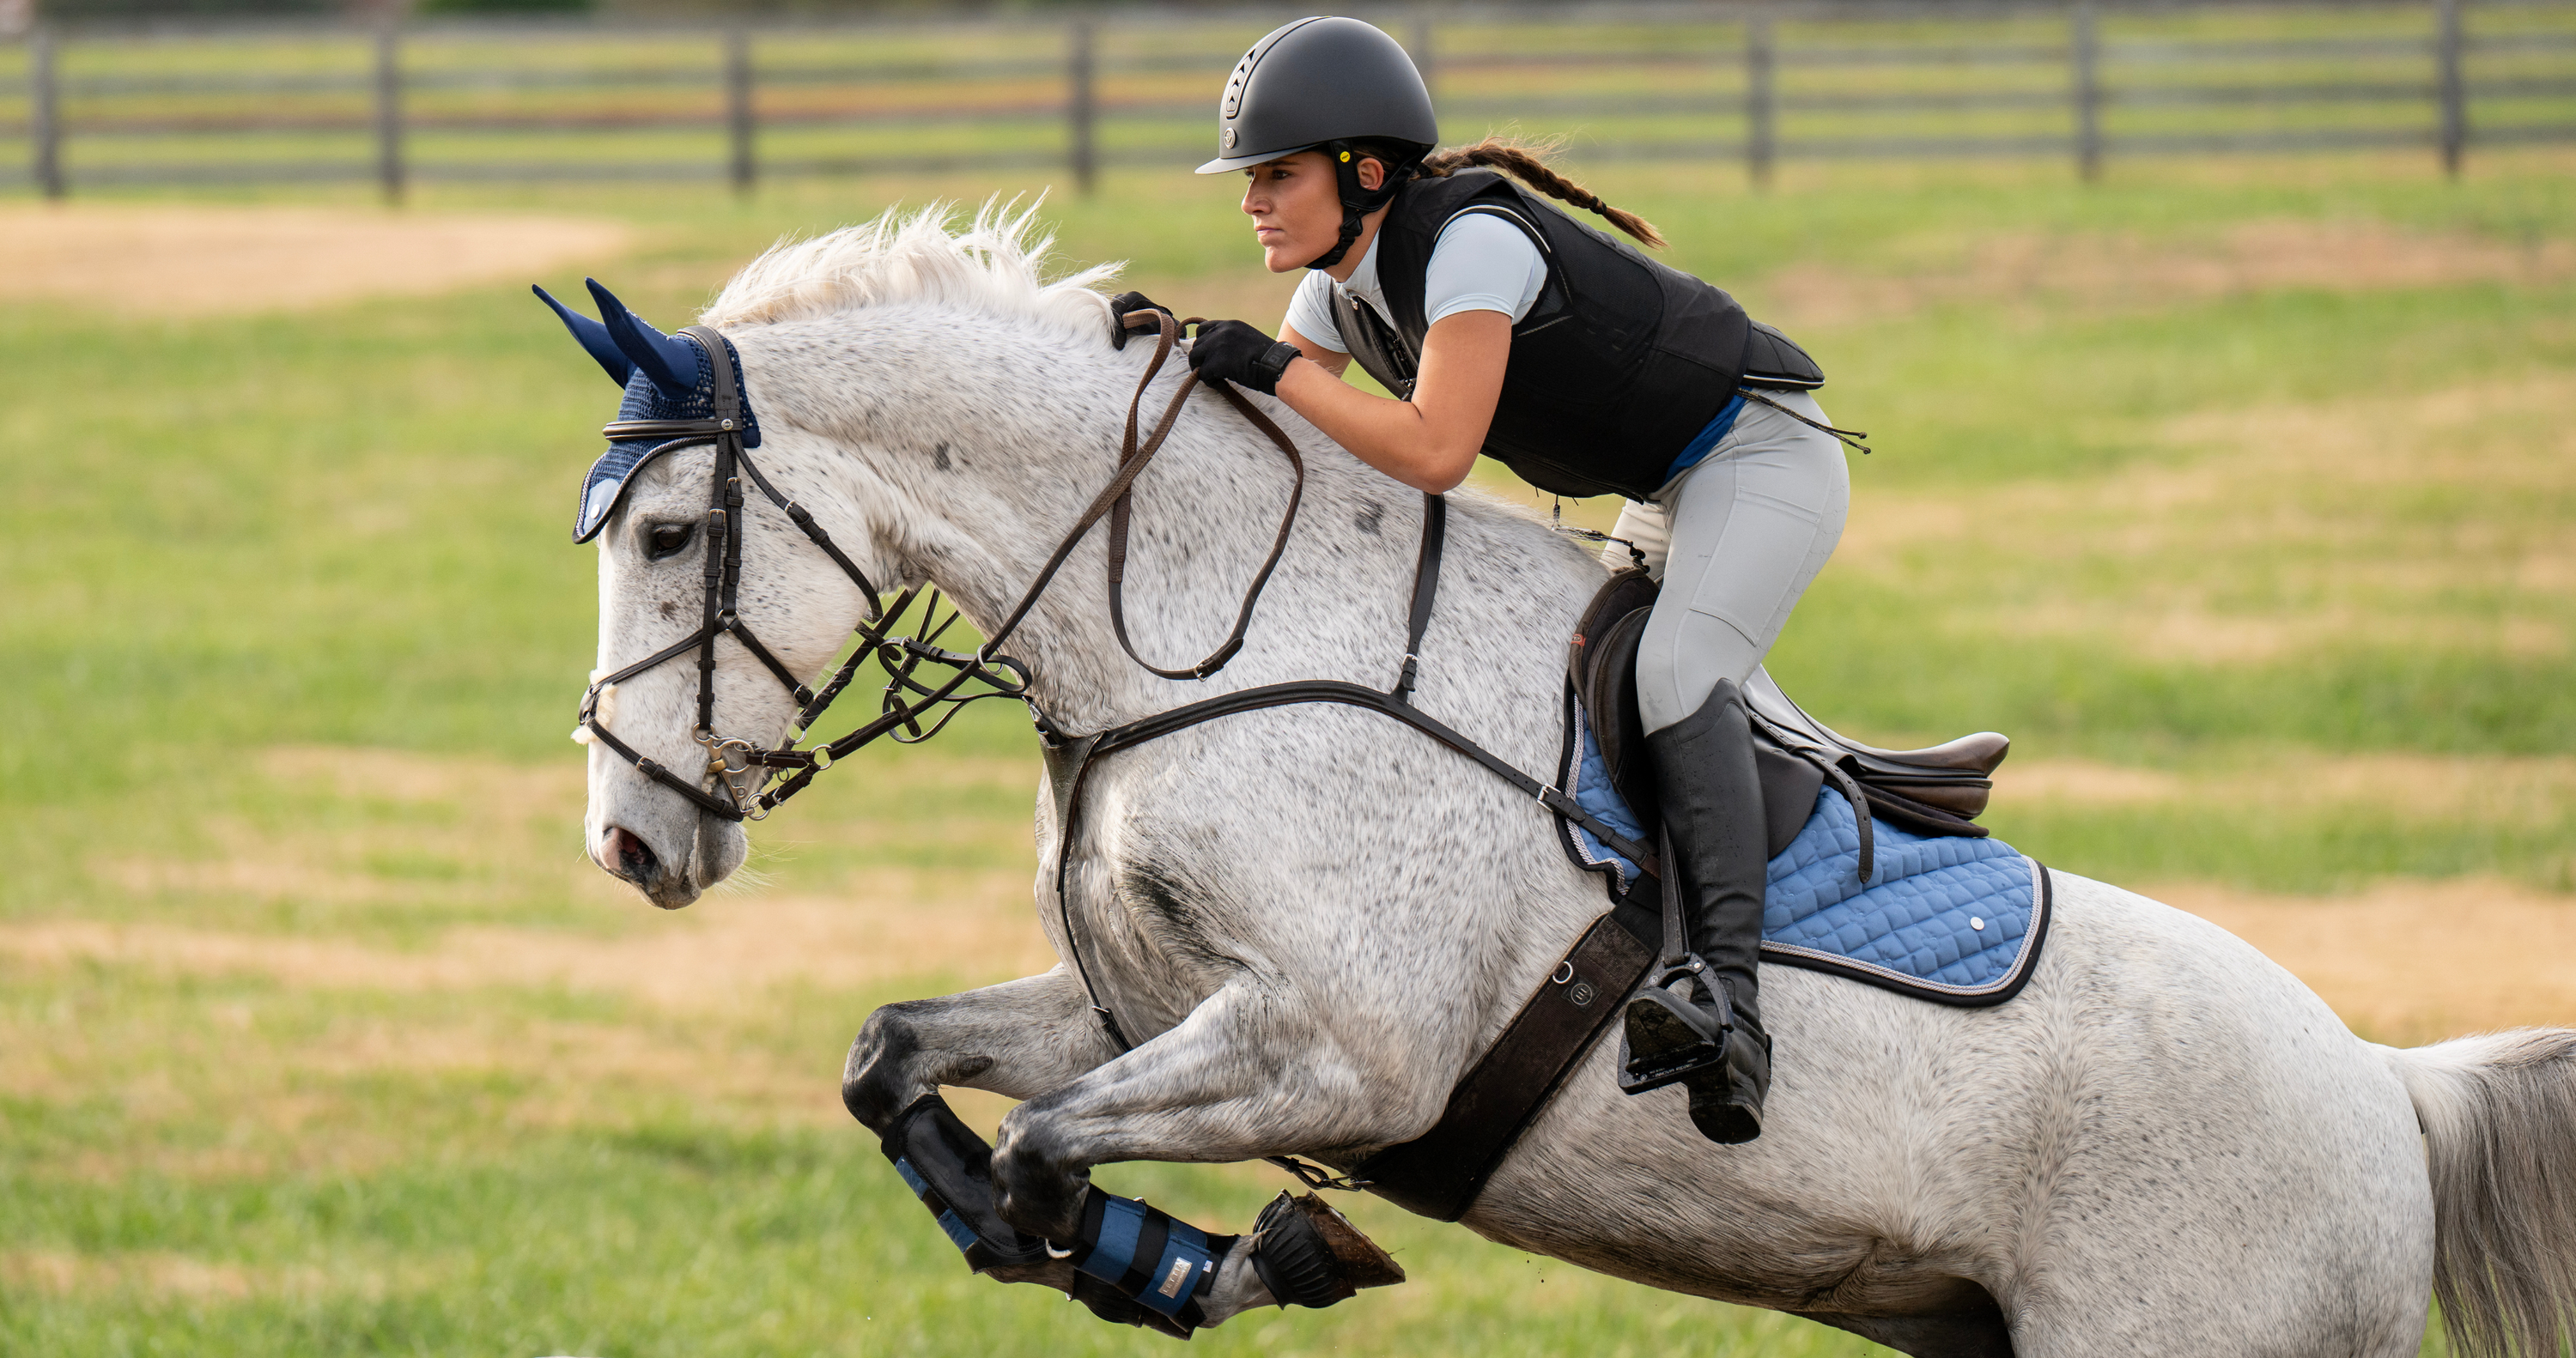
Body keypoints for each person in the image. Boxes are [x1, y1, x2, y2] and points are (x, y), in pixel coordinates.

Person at [1114, 15, 1853, 1147]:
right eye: (1250, 178)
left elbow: (1431, 450)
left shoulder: (1471, 245)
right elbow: (1280, 432)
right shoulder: (1339, 284)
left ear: (1364, 173)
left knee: (1674, 670)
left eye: (1277, 174)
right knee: (1575, 694)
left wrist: (1268, 369)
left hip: (1758, 455)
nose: (1252, 199)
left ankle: (1729, 1004)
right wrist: (1160, 358)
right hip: (1666, 486)